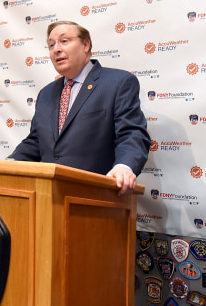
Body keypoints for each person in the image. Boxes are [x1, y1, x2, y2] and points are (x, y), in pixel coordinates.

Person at [9, 21, 150, 196]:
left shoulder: (118, 83)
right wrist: (10, 162)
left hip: (96, 199)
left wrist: (124, 166)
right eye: (51, 45)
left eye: (64, 41)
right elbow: (36, 141)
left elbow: (132, 133)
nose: (56, 49)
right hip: (47, 198)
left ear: (85, 44)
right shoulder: (46, 93)